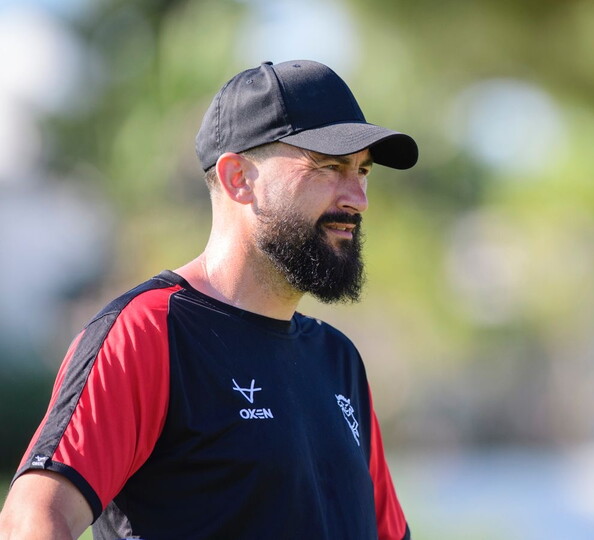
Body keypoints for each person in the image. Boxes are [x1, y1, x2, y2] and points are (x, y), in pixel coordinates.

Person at [0, 60, 418, 540]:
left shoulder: (337, 358)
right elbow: (32, 519)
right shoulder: (151, 331)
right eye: (328, 167)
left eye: (362, 171)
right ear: (238, 177)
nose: (358, 198)